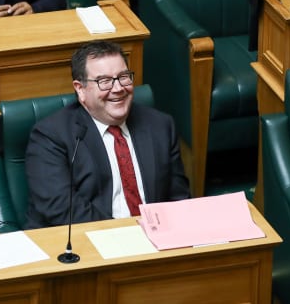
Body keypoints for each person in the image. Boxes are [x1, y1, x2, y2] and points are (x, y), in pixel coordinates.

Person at [24, 41, 190, 229]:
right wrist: (125, 235)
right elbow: (62, 209)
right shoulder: (50, 136)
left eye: (124, 77)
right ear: (81, 89)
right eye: (105, 81)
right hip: (86, 242)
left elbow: (178, 200)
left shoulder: (160, 125)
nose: (118, 88)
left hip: (156, 240)